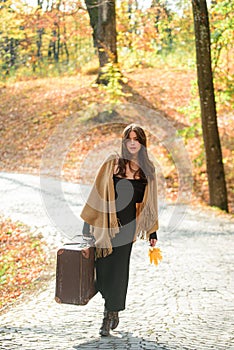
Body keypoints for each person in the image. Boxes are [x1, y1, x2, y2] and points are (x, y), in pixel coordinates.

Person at [80, 123, 158, 336]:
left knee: (119, 271)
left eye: (137, 139)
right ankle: (110, 306)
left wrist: (152, 232)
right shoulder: (113, 164)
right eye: (129, 139)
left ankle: (109, 314)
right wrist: (87, 224)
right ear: (124, 142)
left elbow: (150, 204)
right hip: (104, 226)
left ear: (142, 143)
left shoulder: (147, 170)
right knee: (103, 270)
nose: (132, 143)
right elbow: (96, 194)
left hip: (128, 228)